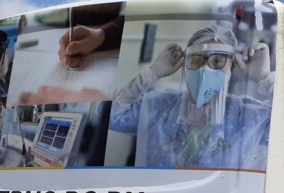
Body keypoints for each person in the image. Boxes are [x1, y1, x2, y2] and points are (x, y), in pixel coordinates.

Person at [109, 23, 272, 170]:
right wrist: (150, 74)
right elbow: (113, 116)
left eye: (217, 61)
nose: (204, 70)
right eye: (196, 59)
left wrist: (264, 77)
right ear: (184, 63)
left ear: (233, 65)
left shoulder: (249, 116)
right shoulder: (158, 106)